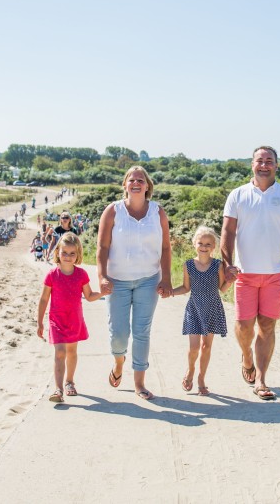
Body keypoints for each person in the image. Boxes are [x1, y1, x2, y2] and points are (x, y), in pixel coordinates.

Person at [221, 146, 280, 401]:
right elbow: (227, 232)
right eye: (260, 160)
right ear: (252, 164)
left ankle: (261, 379)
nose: (264, 165)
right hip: (244, 274)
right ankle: (246, 356)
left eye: (269, 161)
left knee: (267, 325)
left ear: (276, 166)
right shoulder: (237, 195)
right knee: (244, 326)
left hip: (276, 273)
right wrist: (227, 264)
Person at [96, 166, 173, 401]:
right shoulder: (113, 211)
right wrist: (102, 276)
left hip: (148, 280)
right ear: (125, 185)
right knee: (119, 334)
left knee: (142, 332)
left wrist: (167, 278)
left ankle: (139, 383)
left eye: (141, 179)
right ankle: (119, 363)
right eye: (132, 180)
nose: (136, 183)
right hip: (117, 281)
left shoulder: (158, 212)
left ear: (147, 186)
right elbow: (102, 247)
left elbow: (165, 247)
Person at [37, 232, 107, 403]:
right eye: (64, 252)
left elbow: (89, 296)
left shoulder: (81, 274)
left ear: (78, 255)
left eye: (72, 253)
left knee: (72, 352)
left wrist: (102, 293)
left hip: (74, 319)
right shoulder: (52, 275)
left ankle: (70, 382)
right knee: (60, 352)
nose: (68, 257)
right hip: (56, 320)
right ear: (57, 253)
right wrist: (39, 322)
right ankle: (58, 389)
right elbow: (44, 299)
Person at [172, 226, 232, 396]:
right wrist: (170, 292)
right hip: (194, 308)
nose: (204, 246)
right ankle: (190, 370)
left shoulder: (218, 265)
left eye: (208, 244)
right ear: (194, 244)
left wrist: (232, 280)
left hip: (213, 307)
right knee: (194, 348)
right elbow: (185, 287)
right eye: (201, 243)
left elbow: (223, 288)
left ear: (214, 247)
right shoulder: (188, 265)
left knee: (206, 347)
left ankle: (201, 379)